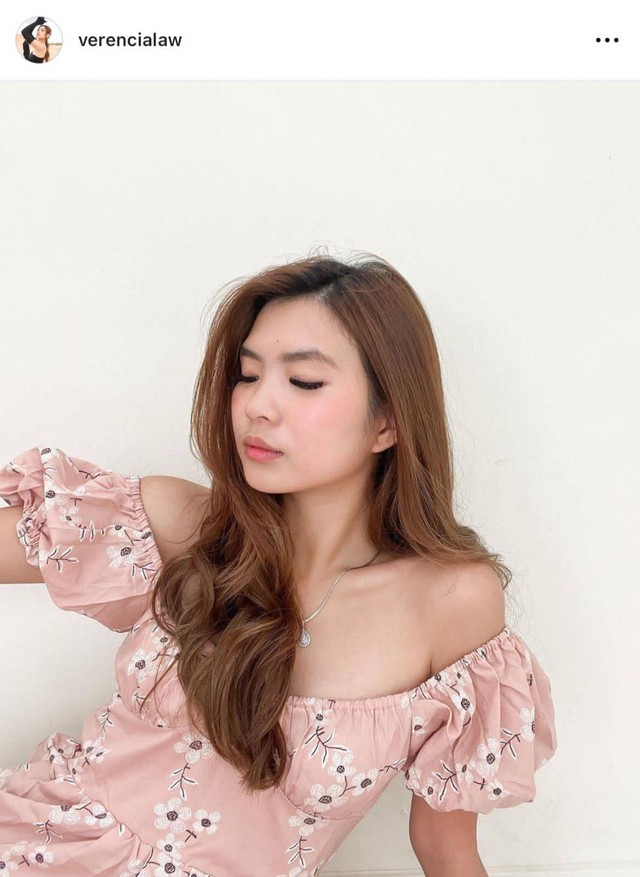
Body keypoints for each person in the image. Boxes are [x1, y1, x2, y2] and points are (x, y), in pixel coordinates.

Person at [0, 253, 557, 876]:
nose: (257, 406)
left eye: (304, 381)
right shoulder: (185, 529)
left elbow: (446, 851)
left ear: (387, 422)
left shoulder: (450, 603)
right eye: (247, 375)